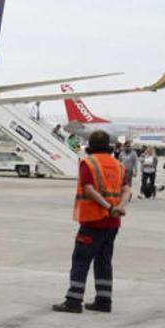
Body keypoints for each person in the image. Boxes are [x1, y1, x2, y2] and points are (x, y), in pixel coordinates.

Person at [53, 130, 130, 314]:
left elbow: (88, 190)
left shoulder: (88, 163)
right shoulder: (118, 165)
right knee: (104, 261)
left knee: (81, 260)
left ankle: (73, 300)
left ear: (91, 146)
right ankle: (104, 301)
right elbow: (127, 189)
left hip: (93, 220)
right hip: (113, 224)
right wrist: (119, 207)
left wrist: (108, 208)